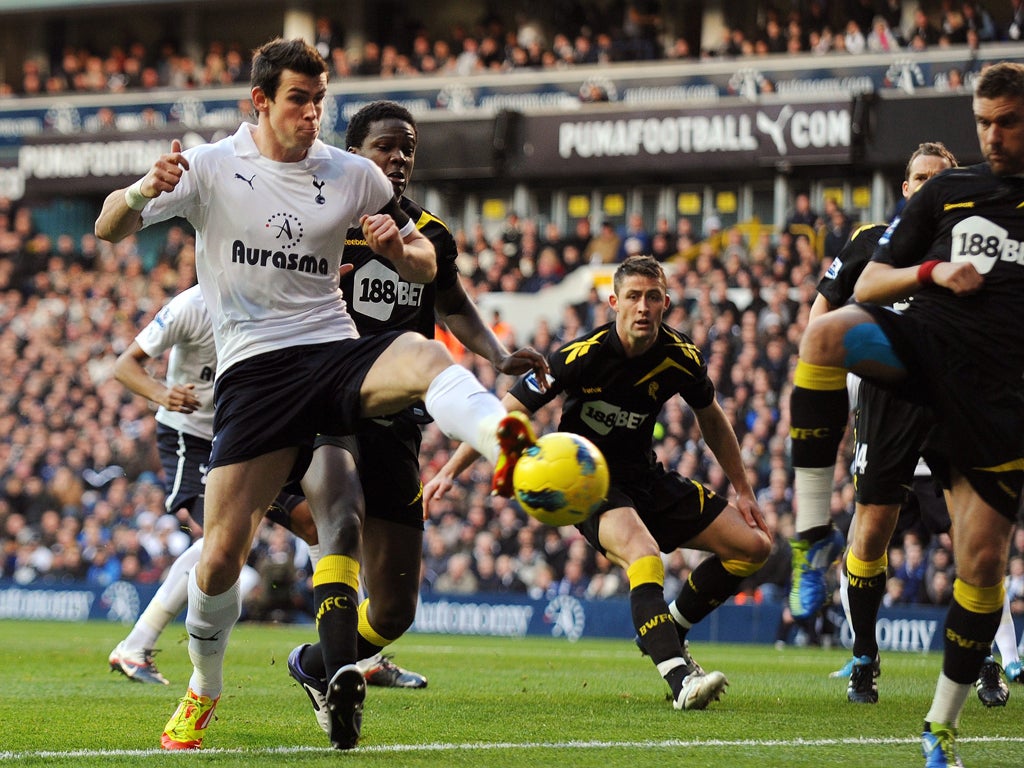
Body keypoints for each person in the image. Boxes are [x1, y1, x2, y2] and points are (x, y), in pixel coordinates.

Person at [95, 38, 524, 752]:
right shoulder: (208, 166)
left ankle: (504, 441)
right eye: (299, 99)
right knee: (221, 556)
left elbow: (427, 263)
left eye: (321, 100)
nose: (312, 114)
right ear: (259, 101)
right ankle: (205, 686)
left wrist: (398, 249)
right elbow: (111, 226)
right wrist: (143, 188)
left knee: (419, 355)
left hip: (330, 348)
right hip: (254, 376)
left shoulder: (351, 174)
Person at [787, 62, 1024, 766]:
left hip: (999, 398)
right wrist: (932, 271)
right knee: (824, 334)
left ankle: (940, 727)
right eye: (984, 123)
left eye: (1008, 121)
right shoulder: (952, 193)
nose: (995, 137)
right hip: (922, 360)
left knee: (981, 562)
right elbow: (867, 282)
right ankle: (808, 538)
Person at [285, 100, 547, 728]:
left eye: (407, 149)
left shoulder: (428, 233)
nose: (399, 159)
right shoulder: (319, 220)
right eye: (385, 147)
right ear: (354, 154)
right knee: (339, 523)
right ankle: (343, 681)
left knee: (397, 608)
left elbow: (452, 303)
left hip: (397, 421)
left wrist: (500, 355)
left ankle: (318, 663)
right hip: (329, 405)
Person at [424, 255, 772, 711]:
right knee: (644, 555)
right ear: (614, 302)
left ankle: (668, 630)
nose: (643, 307)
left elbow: (711, 417)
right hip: (588, 483)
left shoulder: (680, 357)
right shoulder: (578, 356)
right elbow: (505, 413)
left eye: (652, 298)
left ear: (666, 303)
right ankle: (681, 678)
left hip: (646, 476)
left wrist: (743, 490)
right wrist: (450, 470)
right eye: (633, 297)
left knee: (755, 547)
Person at [107, 284, 315, 686]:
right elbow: (124, 365)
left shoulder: (274, 298)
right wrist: (162, 393)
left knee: (313, 522)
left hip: (248, 437)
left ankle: (351, 654)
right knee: (223, 541)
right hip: (192, 437)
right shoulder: (191, 306)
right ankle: (137, 644)